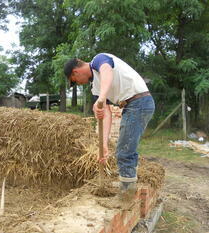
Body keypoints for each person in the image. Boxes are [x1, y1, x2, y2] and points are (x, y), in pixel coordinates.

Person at [64, 53, 155, 194]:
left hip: (139, 102)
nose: (78, 84)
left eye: (74, 80)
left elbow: (107, 71)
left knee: (124, 152)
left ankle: (127, 195)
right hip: (133, 105)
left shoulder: (98, 60)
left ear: (75, 72)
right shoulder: (95, 87)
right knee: (127, 149)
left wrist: (102, 98)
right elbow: (106, 114)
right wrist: (104, 144)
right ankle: (130, 184)